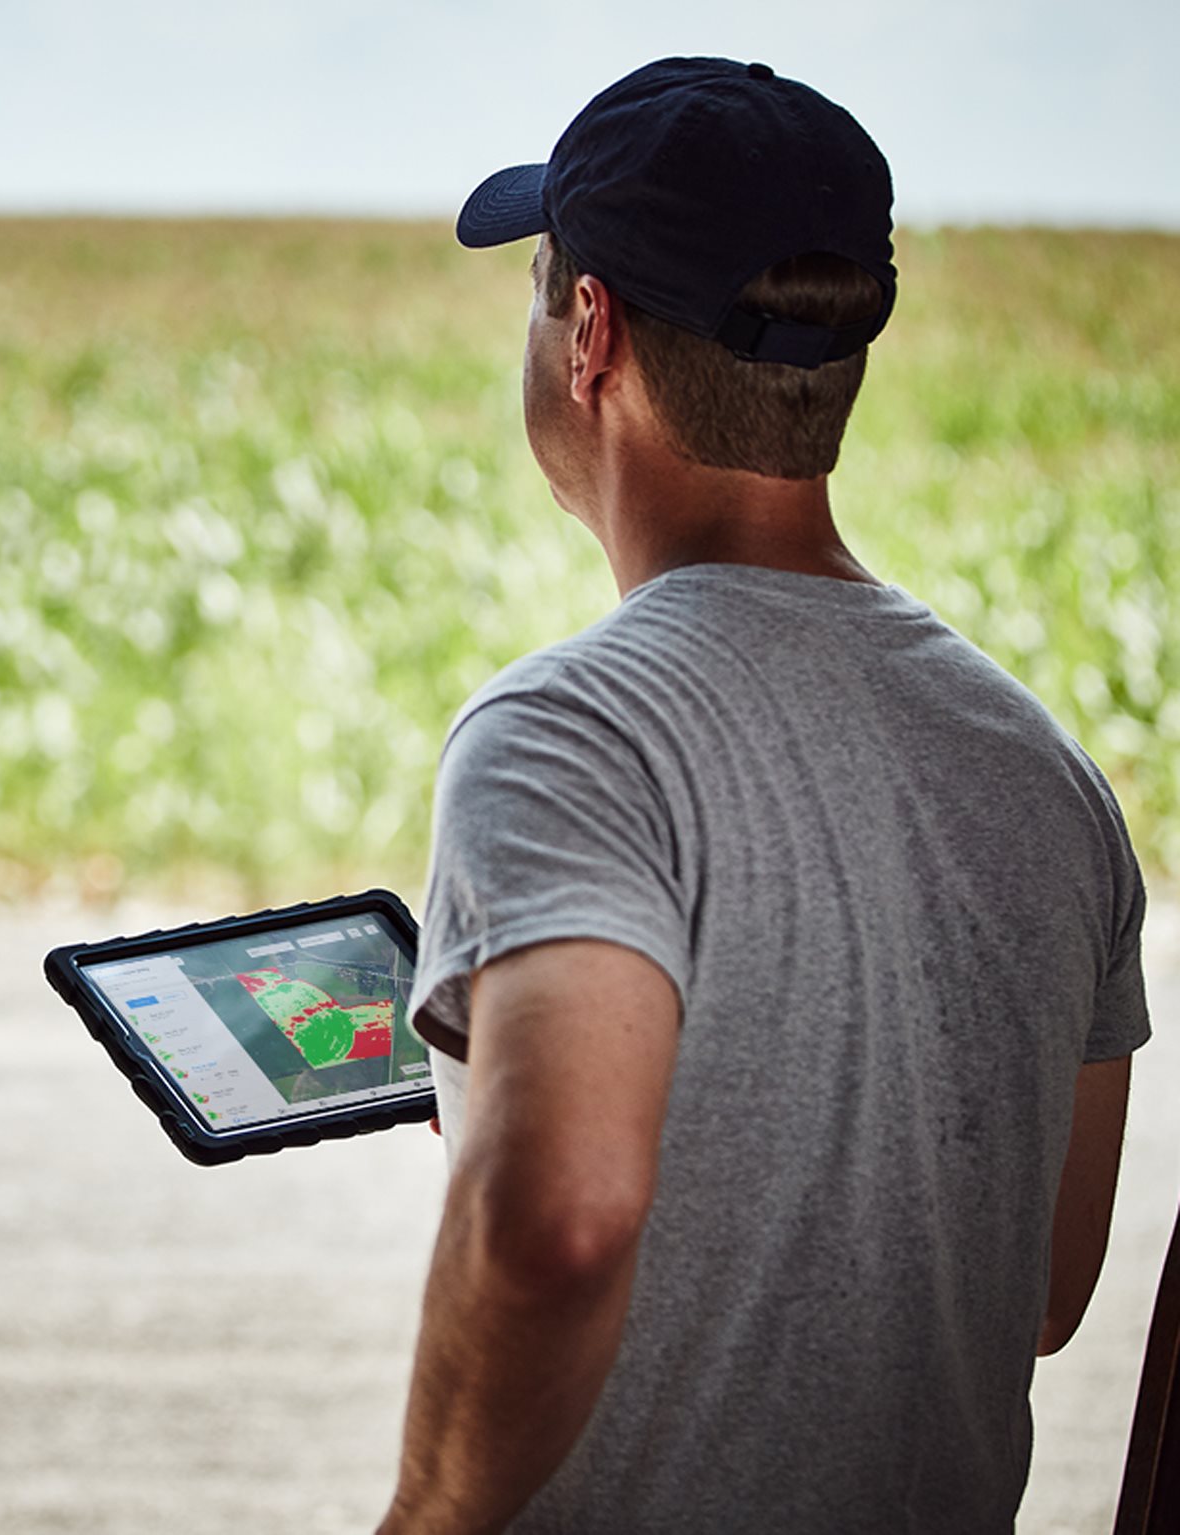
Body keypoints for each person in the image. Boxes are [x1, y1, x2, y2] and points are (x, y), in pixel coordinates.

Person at [377, 57, 1149, 1534]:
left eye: (540, 283)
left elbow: (558, 1226)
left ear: (588, 331)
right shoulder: (1046, 773)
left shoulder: (563, 735)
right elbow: (1042, 1285)